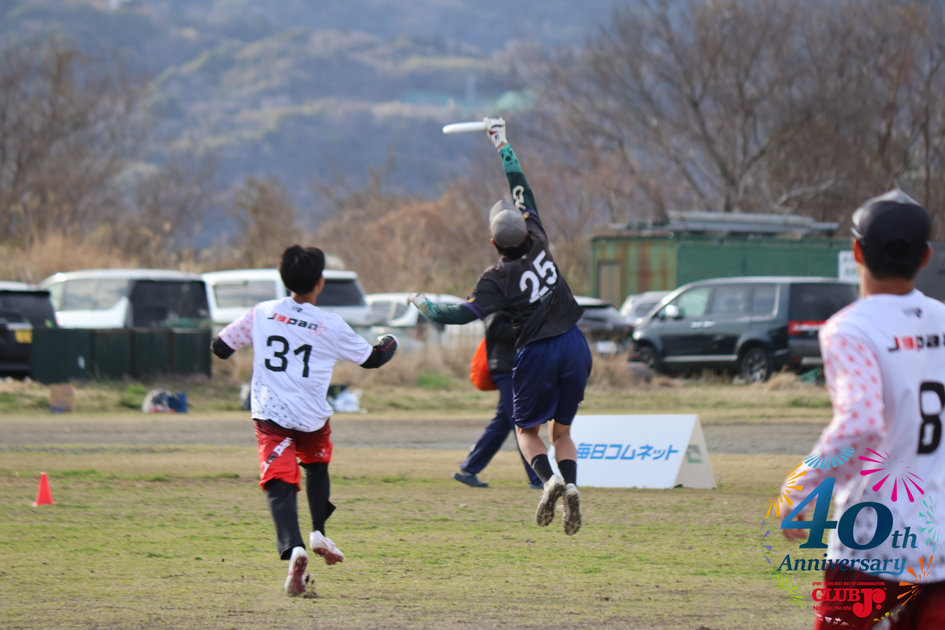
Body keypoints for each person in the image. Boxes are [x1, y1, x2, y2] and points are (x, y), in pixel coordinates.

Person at [417, 117, 592, 535]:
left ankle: (549, 481)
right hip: (575, 344)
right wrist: (502, 144)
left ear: (494, 243)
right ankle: (571, 485)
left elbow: (462, 313)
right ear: (525, 231)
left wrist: (425, 306)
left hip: (536, 353)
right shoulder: (540, 238)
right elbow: (521, 189)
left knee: (525, 429)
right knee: (563, 432)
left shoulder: (496, 279)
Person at [778, 190, 945, 628]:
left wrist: (802, 484)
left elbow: (862, 423)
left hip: (875, 538)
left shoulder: (850, 328)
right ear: (925, 256)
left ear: (856, 251)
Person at [210, 245, 398, 597]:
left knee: (279, 481)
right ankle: (318, 532)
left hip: (272, 413)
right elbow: (373, 359)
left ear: (284, 278)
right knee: (316, 465)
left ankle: (294, 547)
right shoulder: (330, 324)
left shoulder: (263, 312)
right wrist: (390, 342)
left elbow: (220, 348)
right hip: (311, 415)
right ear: (320, 282)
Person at [453, 310, 543, 490]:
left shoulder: (512, 302)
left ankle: (469, 468)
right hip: (506, 367)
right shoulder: (501, 302)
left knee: (502, 423)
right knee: (520, 421)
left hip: (514, 366)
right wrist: (528, 327)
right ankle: (538, 476)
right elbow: (495, 328)